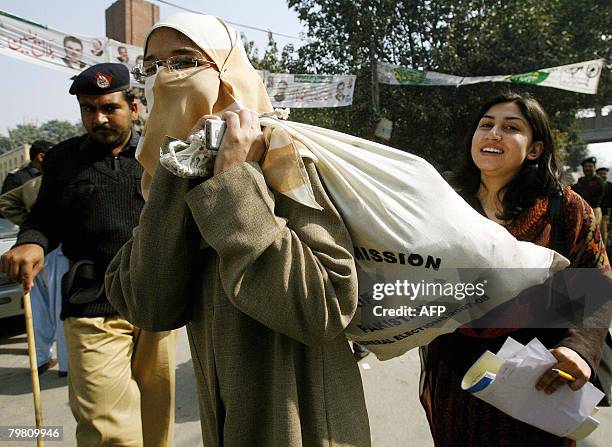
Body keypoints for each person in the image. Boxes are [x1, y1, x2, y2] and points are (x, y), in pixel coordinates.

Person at [106, 12, 370, 447]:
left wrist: (236, 186)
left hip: (302, 419)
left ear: (227, 71)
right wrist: (175, 179)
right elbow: (148, 306)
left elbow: (323, 307)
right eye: (151, 67)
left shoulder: (288, 156)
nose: (163, 79)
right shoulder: (173, 172)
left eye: (183, 61)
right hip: (226, 418)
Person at [420, 92, 611, 447]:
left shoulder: (565, 209)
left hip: (540, 382)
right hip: (460, 377)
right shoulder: (442, 204)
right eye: (485, 125)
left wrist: (580, 350)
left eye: (511, 127)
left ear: (535, 149)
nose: (494, 134)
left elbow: (597, 283)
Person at [0, 63, 176, 447]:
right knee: (107, 428)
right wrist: (30, 242)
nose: (97, 118)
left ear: (135, 108)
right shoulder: (64, 160)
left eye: (109, 107)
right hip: (92, 301)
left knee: (155, 421)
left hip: (155, 301)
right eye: (88, 108)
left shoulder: (163, 154)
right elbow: (42, 219)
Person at [0, 173, 69, 377]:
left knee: (37, 308)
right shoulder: (64, 177)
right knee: (61, 309)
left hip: (32, 247)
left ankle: (41, 358)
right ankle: (65, 364)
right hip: (57, 248)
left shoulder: (32, 183)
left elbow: (5, 202)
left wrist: (25, 222)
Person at [573, 156, 605, 225]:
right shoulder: (581, 180)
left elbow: (588, 195)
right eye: (585, 166)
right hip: (583, 210)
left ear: (594, 167)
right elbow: (575, 189)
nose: (587, 168)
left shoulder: (598, 181)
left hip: (593, 210)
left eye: (590, 166)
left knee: (591, 233)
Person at [597, 167, 611, 248]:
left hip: (606, 214)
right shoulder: (594, 186)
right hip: (595, 213)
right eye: (600, 174)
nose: (602, 175)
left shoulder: (610, 186)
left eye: (604, 174)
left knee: (604, 233)